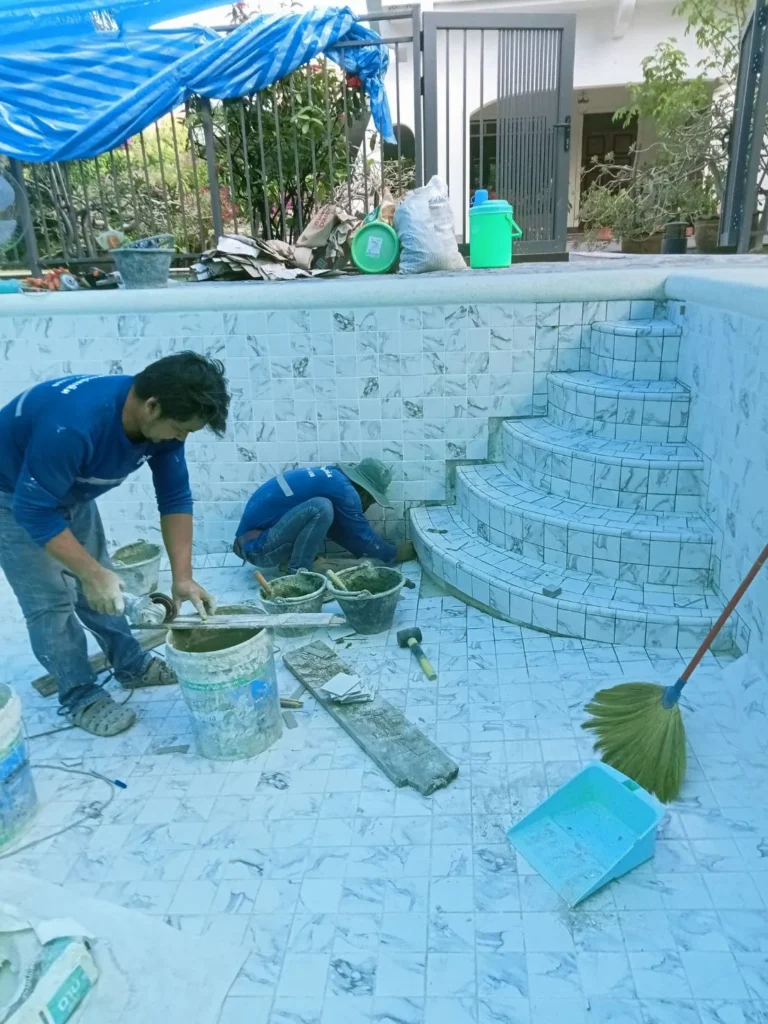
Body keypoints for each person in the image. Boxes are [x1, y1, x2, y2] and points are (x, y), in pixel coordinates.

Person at [0, 352, 230, 737]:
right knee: (51, 602)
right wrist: (89, 573)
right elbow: (33, 510)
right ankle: (80, 695)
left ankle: (130, 664)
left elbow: (175, 497)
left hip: (69, 492)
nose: (181, 439)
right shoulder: (74, 425)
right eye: (180, 429)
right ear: (152, 407)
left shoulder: (162, 421)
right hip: (12, 499)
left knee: (105, 587)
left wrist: (183, 578)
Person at [233, 459, 414, 573]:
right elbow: (361, 533)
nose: (365, 507)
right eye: (371, 501)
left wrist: (364, 551)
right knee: (321, 507)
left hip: (252, 543)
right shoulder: (346, 491)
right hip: (258, 549)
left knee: (324, 508)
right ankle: (299, 573)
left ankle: (294, 563)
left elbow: (343, 529)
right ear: (364, 491)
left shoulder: (332, 477)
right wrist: (393, 553)